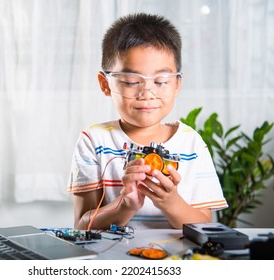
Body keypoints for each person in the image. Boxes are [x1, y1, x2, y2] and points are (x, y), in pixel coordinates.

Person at [67, 13, 228, 230]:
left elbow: (205, 227)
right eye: (132, 81)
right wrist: (124, 205)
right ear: (105, 84)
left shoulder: (191, 144)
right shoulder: (94, 140)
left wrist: (172, 203)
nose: (147, 93)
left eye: (161, 81)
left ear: (177, 84)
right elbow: (82, 226)